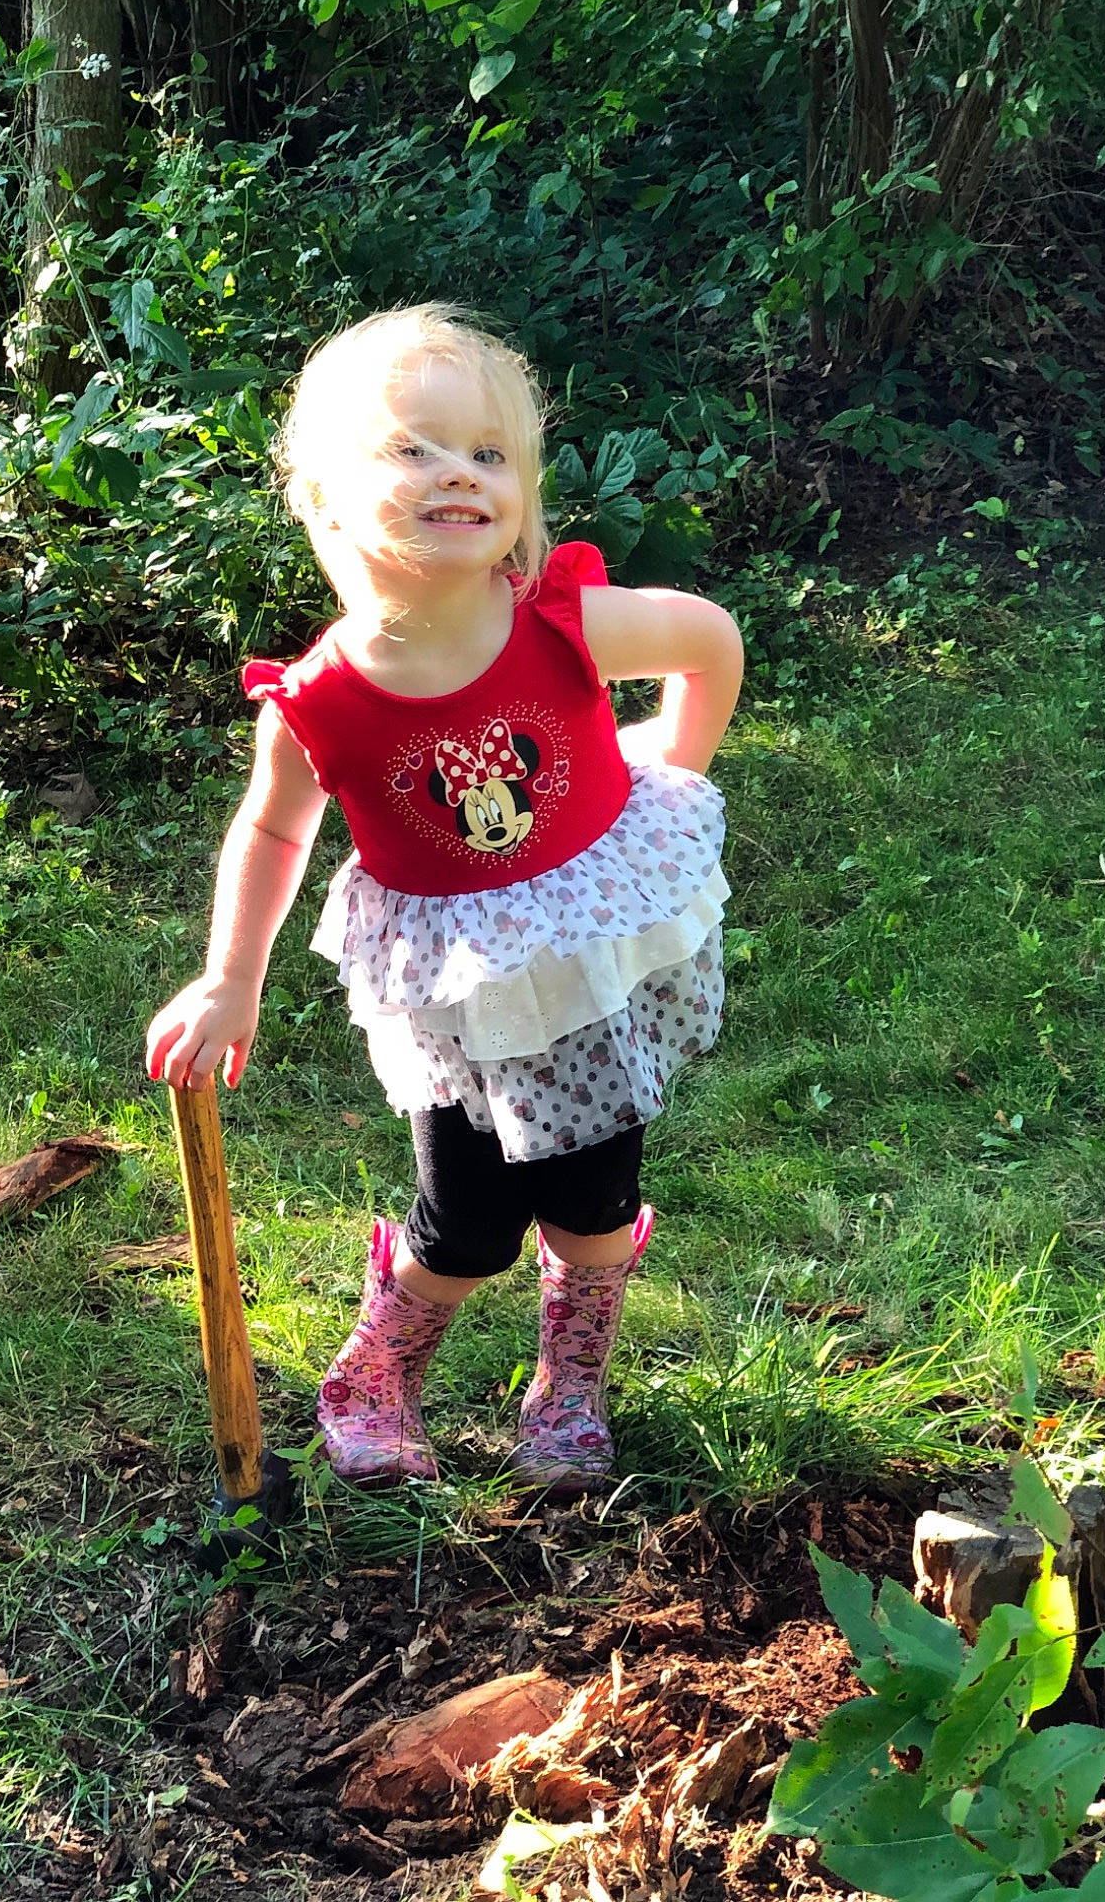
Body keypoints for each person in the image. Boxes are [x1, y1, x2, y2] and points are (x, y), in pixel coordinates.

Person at [146, 304, 743, 1494]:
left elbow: (708, 642)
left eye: (488, 452)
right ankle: (376, 1372)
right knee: (467, 1220)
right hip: (456, 995)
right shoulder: (322, 700)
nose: (458, 473)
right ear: (325, 493)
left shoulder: (564, 627)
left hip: (586, 962)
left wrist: (672, 778)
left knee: (594, 1200)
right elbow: (272, 826)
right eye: (413, 447)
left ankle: (569, 1383)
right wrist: (230, 975)